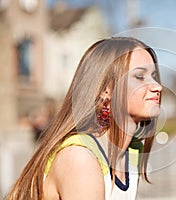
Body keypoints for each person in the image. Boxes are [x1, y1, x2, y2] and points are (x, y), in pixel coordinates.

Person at [6, 37, 162, 200]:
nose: (157, 86)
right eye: (139, 76)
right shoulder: (80, 158)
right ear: (105, 89)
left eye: (153, 76)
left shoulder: (130, 153)